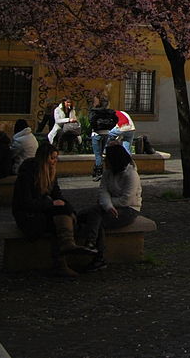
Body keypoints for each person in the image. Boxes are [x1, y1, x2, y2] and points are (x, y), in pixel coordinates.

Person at [12, 142, 94, 277]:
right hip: (28, 215)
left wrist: (69, 209)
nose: (54, 162)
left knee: (63, 210)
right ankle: (62, 257)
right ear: (44, 158)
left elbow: (57, 195)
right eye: (52, 158)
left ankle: (67, 246)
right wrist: (51, 204)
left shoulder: (50, 174)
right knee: (57, 219)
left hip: (40, 210)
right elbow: (26, 203)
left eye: (56, 158)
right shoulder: (27, 174)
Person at [78, 143, 142, 272]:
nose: (105, 161)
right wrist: (107, 206)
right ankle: (91, 245)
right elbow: (103, 191)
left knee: (98, 220)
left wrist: (107, 204)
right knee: (90, 214)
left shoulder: (131, 175)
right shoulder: (108, 173)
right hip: (108, 206)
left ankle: (97, 254)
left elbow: (127, 200)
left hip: (129, 209)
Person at [88, 95, 118, 179]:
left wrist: (95, 128)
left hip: (97, 134)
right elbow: (116, 119)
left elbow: (91, 121)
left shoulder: (94, 111)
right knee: (100, 154)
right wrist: (110, 127)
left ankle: (98, 172)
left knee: (97, 154)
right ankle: (96, 170)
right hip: (106, 133)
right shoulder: (109, 112)